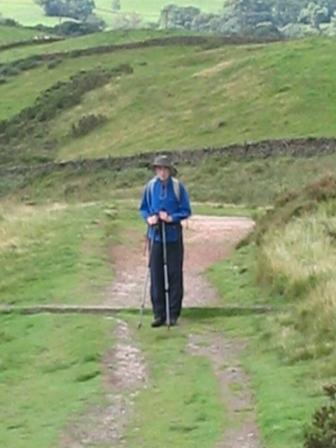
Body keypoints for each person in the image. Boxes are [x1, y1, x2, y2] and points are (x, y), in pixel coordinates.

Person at [139, 155, 192, 328]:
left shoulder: (178, 187)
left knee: (175, 274)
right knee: (155, 274)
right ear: (156, 170)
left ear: (170, 170)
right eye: (159, 169)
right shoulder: (149, 187)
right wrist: (149, 219)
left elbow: (186, 210)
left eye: (165, 169)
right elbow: (143, 209)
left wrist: (170, 217)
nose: (162, 172)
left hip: (173, 236)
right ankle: (159, 314)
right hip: (155, 236)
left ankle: (173, 313)